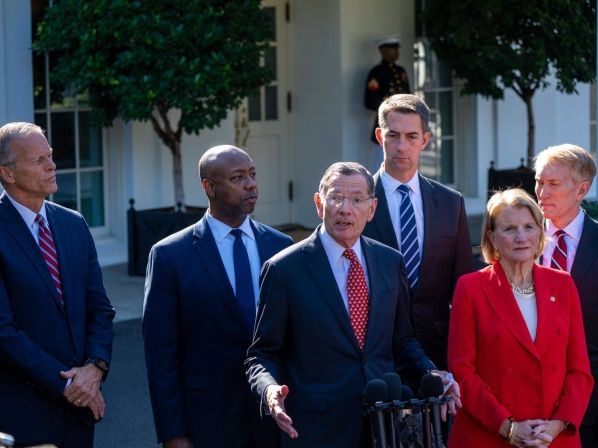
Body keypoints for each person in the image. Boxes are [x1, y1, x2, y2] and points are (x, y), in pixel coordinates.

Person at [246, 161, 461, 447]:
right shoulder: (284, 269)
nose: (345, 208)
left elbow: (403, 341)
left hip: (384, 425)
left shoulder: (390, 261)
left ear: (372, 209)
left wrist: (433, 373)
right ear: (319, 204)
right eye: (336, 197)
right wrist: (269, 390)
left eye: (357, 200)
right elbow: (261, 354)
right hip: (317, 429)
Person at [143, 145, 293, 448]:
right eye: (237, 178)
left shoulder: (282, 247)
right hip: (207, 420)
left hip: (275, 417)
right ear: (209, 187)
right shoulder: (170, 255)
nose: (250, 184)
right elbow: (161, 354)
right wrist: (173, 432)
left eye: (252, 174)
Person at [447, 188, 593, 447]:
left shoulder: (563, 284)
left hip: (553, 437)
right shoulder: (470, 288)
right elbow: (462, 372)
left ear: (540, 232)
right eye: (509, 229)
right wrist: (509, 429)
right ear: (492, 237)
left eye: (529, 226)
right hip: (489, 435)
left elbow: (580, 371)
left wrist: (557, 425)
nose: (521, 237)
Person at [0, 122, 115, 447]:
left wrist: (94, 369)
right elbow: (3, 332)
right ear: (7, 173)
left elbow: (100, 310)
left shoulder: (73, 224)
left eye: (50, 155)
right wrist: (68, 385)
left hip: (79, 412)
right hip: (22, 414)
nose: (52, 165)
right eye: (38, 160)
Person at [363, 93, 472, 373]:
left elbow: (462, 289)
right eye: (393, 135)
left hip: (437, 350)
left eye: (411, 136)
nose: (401, 146)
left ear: (425, 140)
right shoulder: (359, 204)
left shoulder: (451, 203)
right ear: (380, 136)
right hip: (377, 353)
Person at [534, 144, 598, 447]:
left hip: (591, 406)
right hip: (527, 404)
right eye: (539, 182)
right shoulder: (518, 240)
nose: (542, 193)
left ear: (581, 189)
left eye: (553, 184)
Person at [364, 36, 411, 145]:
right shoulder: (377, 72)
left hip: (404, 123)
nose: (396, 51)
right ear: (383, 50)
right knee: (383, 153)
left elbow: (408, 95)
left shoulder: (400, 71)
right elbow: (370, 101)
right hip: (385, 123)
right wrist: (389, 110)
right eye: (393, 48)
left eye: (397, 48)